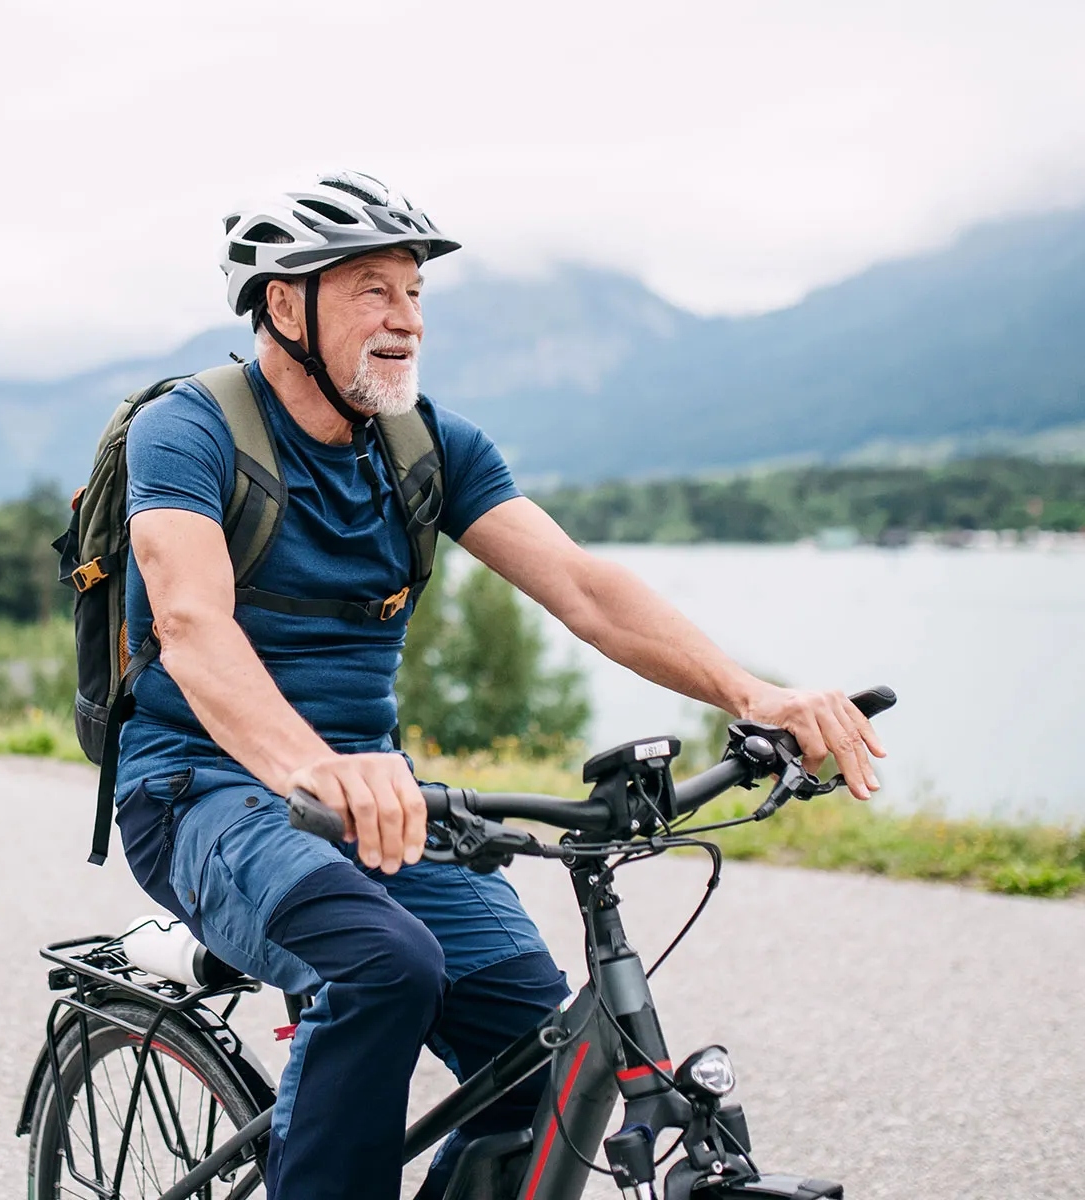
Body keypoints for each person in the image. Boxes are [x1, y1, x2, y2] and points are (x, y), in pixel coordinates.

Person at [114, 171, 887, 1200]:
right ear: (284, 305)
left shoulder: (428, 446)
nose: (406, 321)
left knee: (547, 1060)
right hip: (201, 793)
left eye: (415, 294)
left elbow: (584, 588)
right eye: (372, 291)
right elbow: (190, 622)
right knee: (382, 968)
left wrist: (753, 693)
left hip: (375, 803)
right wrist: (317, 767)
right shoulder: (190, 430)